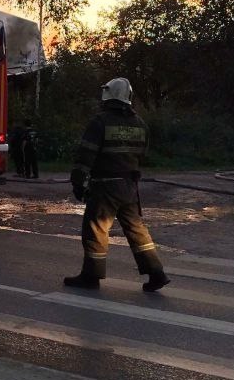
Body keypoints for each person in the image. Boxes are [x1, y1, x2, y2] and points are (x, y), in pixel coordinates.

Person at [65, 77, 169, 292]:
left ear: (108, 95)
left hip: (104, 186)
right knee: (137, 230)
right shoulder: (140, 123)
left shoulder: (100, 122)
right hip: (129, 187)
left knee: (96, 229)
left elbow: (86, 155)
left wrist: (77, 182)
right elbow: (143, 154)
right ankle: (156, 273)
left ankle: (91, 276)